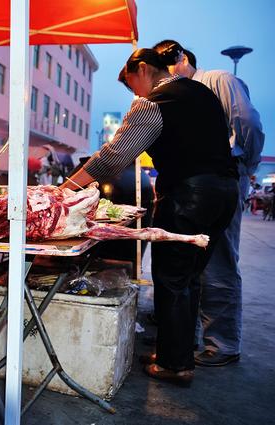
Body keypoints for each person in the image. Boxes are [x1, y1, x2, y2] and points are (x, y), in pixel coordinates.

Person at [60, 49, 238, 386]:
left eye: (132, 85)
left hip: (189, 195)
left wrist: (65, 189)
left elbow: (113, 158)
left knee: (172, 277)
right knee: (189, 277)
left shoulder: (155, 101)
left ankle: (175, 366)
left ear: (143, 69)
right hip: (223, 193)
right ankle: (177, 351)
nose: (134, 94)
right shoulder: (199, 90)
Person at [153, 40, 265, 367]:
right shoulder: (178, 91)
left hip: (220, 177)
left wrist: (247, 164)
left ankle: (223, 343)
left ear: (182, 57)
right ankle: (189, 339)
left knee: (218, 260)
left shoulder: (218, 80)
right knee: (190, 266)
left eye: (165, 65)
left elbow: (248, 123)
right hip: (191, 183)